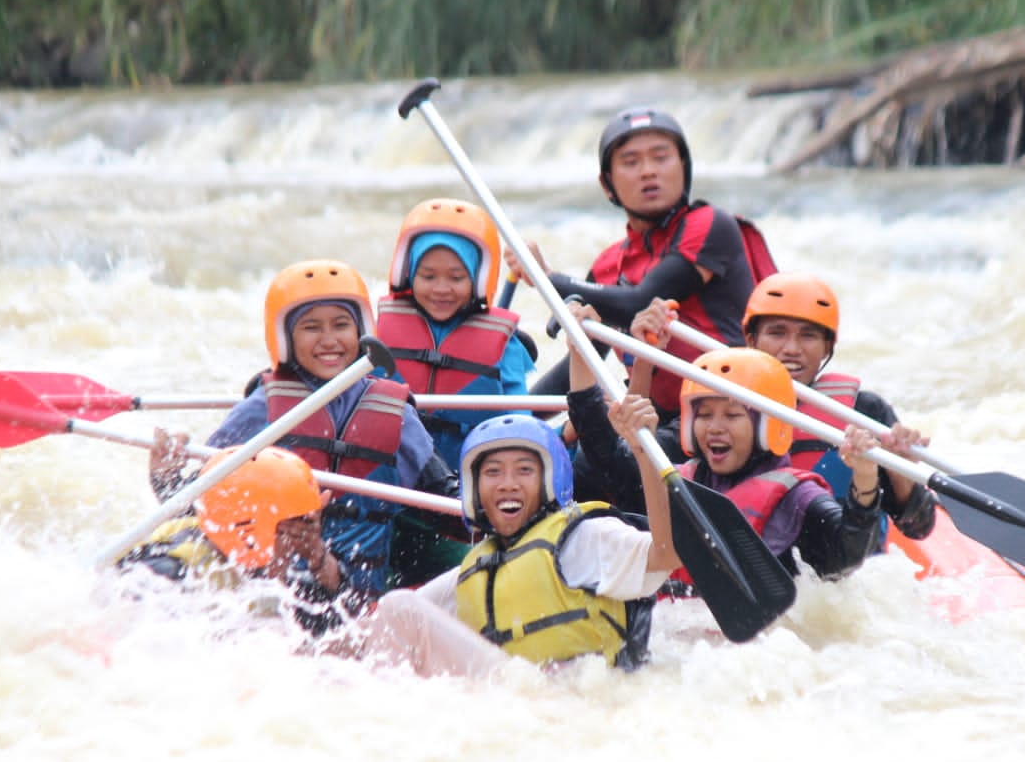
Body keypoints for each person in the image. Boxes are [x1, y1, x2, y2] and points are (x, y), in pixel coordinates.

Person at [149, 259, 465, 607]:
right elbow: (202, 505)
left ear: (361, 331)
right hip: (270, 591)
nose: (328, 340)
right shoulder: (262, 409)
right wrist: (166, 480)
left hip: (353, 601)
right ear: (286, 337)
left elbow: (454, 512)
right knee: (170, 556)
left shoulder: (396, 416)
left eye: (341, 325)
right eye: (311, 327)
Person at [348, 413, 679, 677]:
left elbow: (667, 553)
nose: (508, 484)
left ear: (551, 480)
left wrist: (644, 455)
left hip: (566, 697)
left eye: (524, 471)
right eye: (493, 472)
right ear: (475, 489)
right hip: (517, 700)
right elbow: (378, 630)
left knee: (399, 607)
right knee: (392, 615)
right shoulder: (476, 567)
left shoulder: (583, 537)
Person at [509, 105, 769, 428]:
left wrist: (546, 278)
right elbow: (579, 366)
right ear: (607, 185)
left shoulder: (710, 226)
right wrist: (511, 418)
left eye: (661, 158)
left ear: (684, 168)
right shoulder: (607, 266)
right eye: (631, 162)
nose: (648, 171)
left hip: (731, 415)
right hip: (652, 421)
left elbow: (640, 301)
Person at [565, 330, 885, 585]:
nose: (715, 428)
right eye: (704, 415)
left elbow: (846, 557)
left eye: (732, 415)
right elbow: (605, 456)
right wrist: (579, 355)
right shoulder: (676, 480)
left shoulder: (798, 497)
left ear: (767, 425)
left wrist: (866, 479)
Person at [723, 273, 937, 541]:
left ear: (826, 347)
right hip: (759, 556)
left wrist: (900, 470)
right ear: (752, 341)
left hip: (843, 565)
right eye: (777, 333)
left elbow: (919, 528)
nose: (791, 349)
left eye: (808, 336)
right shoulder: (720, 404)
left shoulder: (864, 412)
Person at [377, 197, 538, 471]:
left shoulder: (505, 344)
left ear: (478, 279)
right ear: (409, 274)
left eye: (456, 278)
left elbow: (519, 418)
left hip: (468, 477)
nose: (441, 289)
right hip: (396, 472)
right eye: (428, 277)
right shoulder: (376, 328)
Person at [121, 446, 355, 635]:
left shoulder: (265, 576)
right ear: (250, 528)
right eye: (297, 526)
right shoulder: (160, 575)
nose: (301, 542)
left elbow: (345, 623)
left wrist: (318, 558)